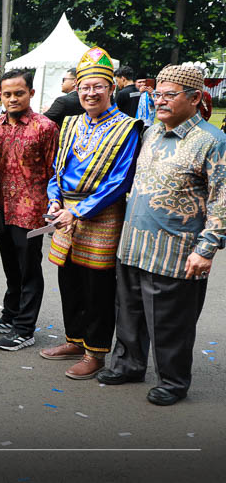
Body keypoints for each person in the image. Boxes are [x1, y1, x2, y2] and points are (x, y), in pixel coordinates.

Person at [100, 65, 225, 405]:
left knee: (171, 324)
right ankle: (128, 365)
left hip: (176, 252)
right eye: (157, 94)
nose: (160, 101)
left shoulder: (212, 141)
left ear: (195, 98)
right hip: (134, 244)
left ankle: (172, 382)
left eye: (170, 95)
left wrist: (206, 249)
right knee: (129, 313)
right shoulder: (152, 132)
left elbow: (222, 201)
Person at [42, 47, 141, 379]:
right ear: (77, 88)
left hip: (102, 215)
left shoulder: (127, 127)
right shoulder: (71, 123)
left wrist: (79, 211)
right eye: (85, 86)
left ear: (111, 88)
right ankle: (74, 339)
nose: (90, 92)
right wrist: (54, 200)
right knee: (68, 279)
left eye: (98, 86)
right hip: (65, 214)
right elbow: (57, 169)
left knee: (97, 286)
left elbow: (120, 181)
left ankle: (95, 352)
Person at [0, 69, 59, 351]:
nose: (12, 99)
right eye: (7, 94)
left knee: (29, 271)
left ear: (31, 93)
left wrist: (53, 206)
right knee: (11, 267)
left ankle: (24, 329)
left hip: (31, 212)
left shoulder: (45, 127)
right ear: (0, 95)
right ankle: (10, 316)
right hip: (2, 209)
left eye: (19, 93)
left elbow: (54, 169)